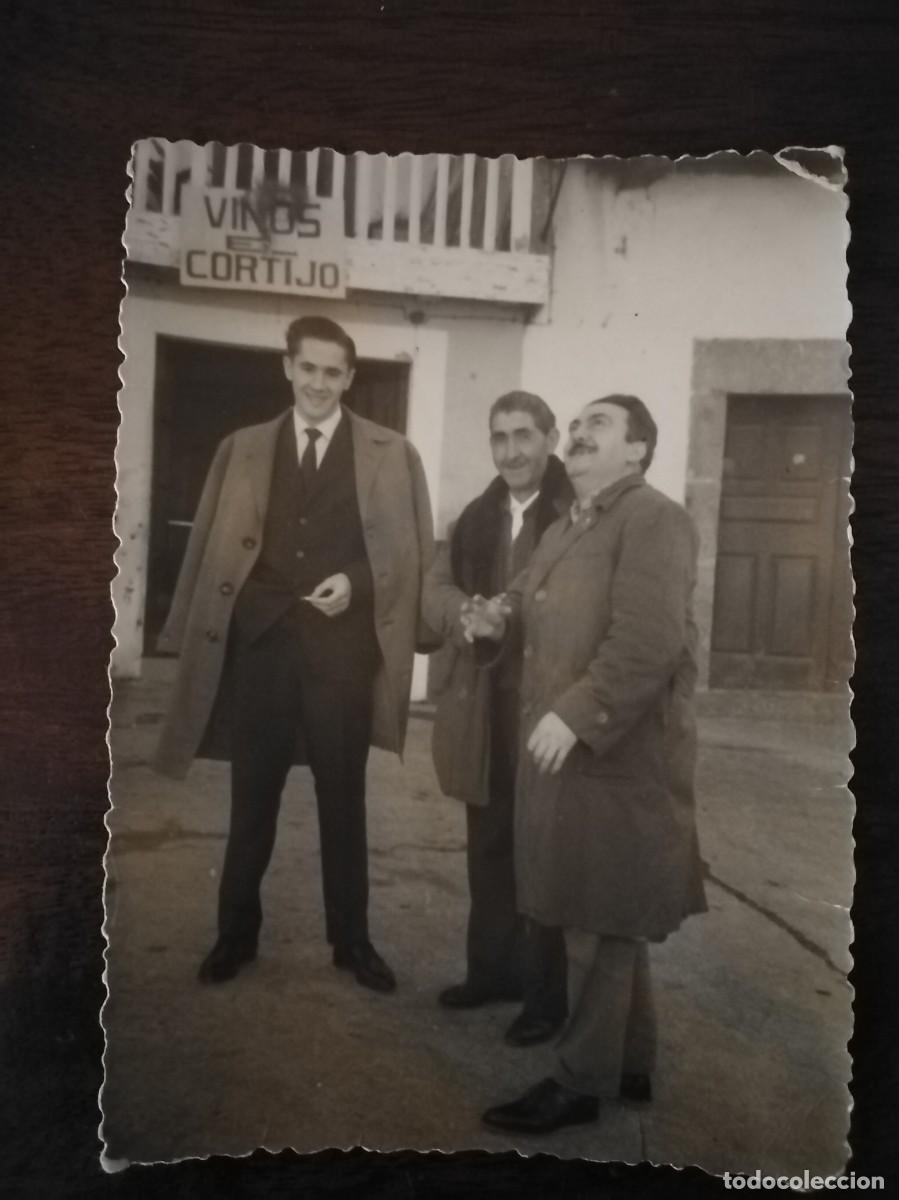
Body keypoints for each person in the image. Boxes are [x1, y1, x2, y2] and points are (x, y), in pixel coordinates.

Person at [153, 315, 435, 994]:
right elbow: (209, 549)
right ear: (287, 368)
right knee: (252, 800)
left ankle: (353, 942)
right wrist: (184, 633)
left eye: (332, 372)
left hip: (341, 655)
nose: (318, 383)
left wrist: (359, 583)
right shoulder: (243, 448)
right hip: (261, 649)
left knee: (344, 801)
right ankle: (234, 937)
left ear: (349, 378)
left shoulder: (390, 453)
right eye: (307, 368)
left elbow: (412, 553)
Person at [465, 395, 707, 1135]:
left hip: (614, 754)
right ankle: (629, 1063)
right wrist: (493, 617)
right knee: (604, 910)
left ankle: (579, 1081)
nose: (573, 436)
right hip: (570, 755)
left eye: (594, 426)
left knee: (595, 914)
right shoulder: (575, 521)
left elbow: (648, 641)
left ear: (636, 450)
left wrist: (576, 714)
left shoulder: (653, 519)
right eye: (573, 427)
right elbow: (523, 599)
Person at [423, 391, 573, 1047]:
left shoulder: (576, 514)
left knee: (543, 852)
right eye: (499, 437)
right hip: (485, 703)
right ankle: (490, 973)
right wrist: (464, 615)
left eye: (523, 435)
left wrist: (507, 617)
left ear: (550, 438)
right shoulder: (474, 516)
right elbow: (433, 591)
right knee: (487, 843)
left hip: (546, 706)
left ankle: (543, 999)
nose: (510, 451)